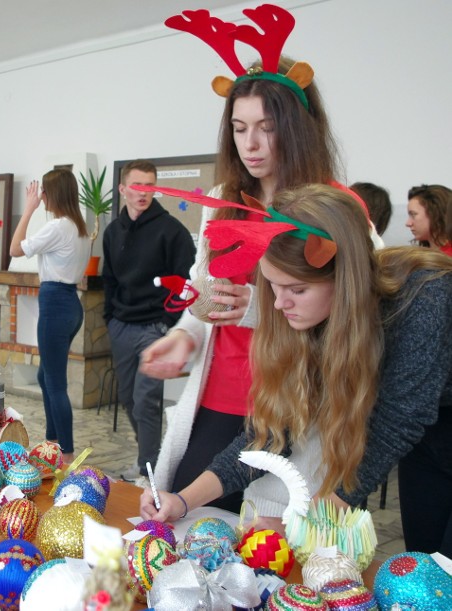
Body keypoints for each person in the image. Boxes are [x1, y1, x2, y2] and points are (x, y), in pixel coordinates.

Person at [139, 6, 378, 512]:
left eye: (265, 128)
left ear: (296, 128)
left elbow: (363, 310)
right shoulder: (223, 198)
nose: (250, 144)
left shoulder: (337, 207)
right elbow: (204, 295)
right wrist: (186, 334)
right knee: (193, 526)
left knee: (274, 547)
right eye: (239, 127)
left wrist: (256, 305)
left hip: (295, 408)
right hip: (218, 393)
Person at [140, 184, 452, 555]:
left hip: (433, 416)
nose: (279, 303)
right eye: (272, 286)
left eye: (297, 290)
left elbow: (393, 426)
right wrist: (182, 500)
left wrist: (303, 524)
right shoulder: (314, 316)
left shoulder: (426, 297)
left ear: (344, 278)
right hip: (426, 434)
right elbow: (274, 430)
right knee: (428, 556)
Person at [102, 159, 196, 483]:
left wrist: (169, 324)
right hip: (122, 326)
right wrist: (110, 319)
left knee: (146, 402)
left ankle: (150, 471)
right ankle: (148, 462)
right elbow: (110, 279)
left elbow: (187, 281)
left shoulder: (173, 231)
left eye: (150, 186)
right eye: (137, 186)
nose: (143, 193)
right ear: (123, 189)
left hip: (155, 327)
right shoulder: (113, 232)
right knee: (129, 399)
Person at [10, 169, 91, 463]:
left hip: (56, 303)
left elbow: (15, 248)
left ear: (52, 194)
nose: (40, 197)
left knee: (55, 382)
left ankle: (67, 455)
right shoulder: (79, 227)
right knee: (46, 376)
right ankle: (52, 441)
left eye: (43, 192)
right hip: (69, 303)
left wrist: (28, 209)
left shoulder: (59, 227)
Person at [406, 184, 452, 255]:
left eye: (413, 214)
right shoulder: (424, 255)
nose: (408, 223)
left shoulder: (446, 259)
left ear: (435, 213)